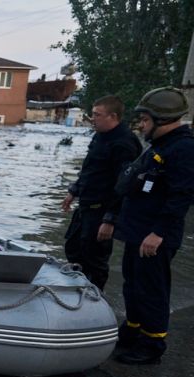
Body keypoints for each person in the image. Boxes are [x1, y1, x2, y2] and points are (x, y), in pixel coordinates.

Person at [111, 86, 194, 365]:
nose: (142, 126)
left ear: (163, 120)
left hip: (154, 236)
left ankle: (152, 343)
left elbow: (180, 196)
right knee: (133, 284)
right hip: (139, 231)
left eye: (146, 120)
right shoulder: (160, 146)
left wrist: (158, 233)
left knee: (151, 289)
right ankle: (133, 331)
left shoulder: (183, 149)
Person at [60, 95, 142, 291]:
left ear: (112, 116)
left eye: (97, 115)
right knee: (73, 247)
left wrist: (110, 219)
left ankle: (94, 297)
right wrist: (73, 191)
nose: (92, 119)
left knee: (95, 259)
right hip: (86, 205)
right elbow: (90, 169)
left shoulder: (124, 143)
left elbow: (124, 186)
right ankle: (76, 288)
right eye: (93, 114)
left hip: (102, 210)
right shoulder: (100, 136)